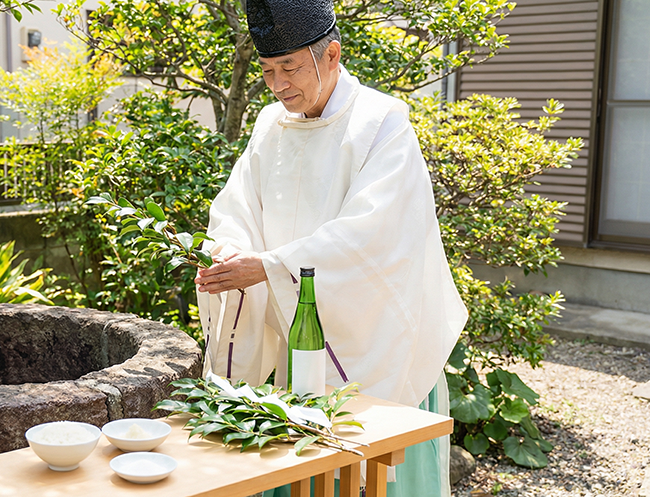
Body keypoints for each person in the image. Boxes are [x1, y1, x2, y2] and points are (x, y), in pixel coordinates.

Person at [192, 0, 468, 495]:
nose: (278, 85)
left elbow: (373, 237)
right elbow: (237, 207)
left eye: (290, 68)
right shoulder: (268, 125)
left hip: (370, 343)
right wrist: (229, 255)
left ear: (332, 54)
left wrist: (270, 267)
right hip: (288, 339)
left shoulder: (382, 123)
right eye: (269, 71)